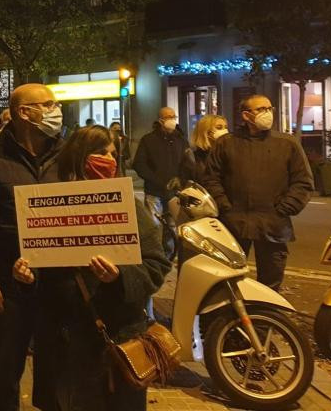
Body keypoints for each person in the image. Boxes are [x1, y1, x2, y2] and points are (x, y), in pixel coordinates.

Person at [13, 125, 171, 411]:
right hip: (61, 345)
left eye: (112, 153)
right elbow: (40, 270)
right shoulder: (49, 205)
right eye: (99, 153)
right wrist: (26, 276)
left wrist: (120, 276)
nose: (108, 159)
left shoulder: (129, 208)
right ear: (78, 156)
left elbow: (156, 265)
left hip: (111, 342)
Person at [0, 83, 63, 411]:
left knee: (55, 373)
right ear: (24, 112)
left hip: (57, 287)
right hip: (9, 288)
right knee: (6, 372)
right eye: (47, 104)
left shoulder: (67, 156)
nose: (55, 110)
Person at [202, 95, 314, 290]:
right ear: (246, 115)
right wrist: (225, 206)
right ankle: (232, 318)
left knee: (271, 281)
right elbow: (211, 179)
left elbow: (303, 181)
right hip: (235, 223)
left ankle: (266, 317)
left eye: (269, 108)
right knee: (229, 279)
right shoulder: (226, 143)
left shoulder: (286, 143)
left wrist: (285, 208)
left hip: (273, 224)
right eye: (261, 109)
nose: (267, 113)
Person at [132, 107, 188, 260]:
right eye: (168, 116)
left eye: (173, 116)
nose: (171, 119)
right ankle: (156, 257)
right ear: (160, 120)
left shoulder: (181, 140)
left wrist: (180, 179)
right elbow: (139, 164)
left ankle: (168, 255)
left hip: (174, 193)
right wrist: (158, 181)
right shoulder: (148, 140)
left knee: (172, 226)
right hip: (154, 191)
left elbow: (187, 163)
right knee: (154, 226)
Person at [181, 114, 228, 186]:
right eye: (219, 127)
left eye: (226, 127)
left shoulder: (227, 154)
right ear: (206, 132)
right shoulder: (192, 157)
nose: (224, 131)